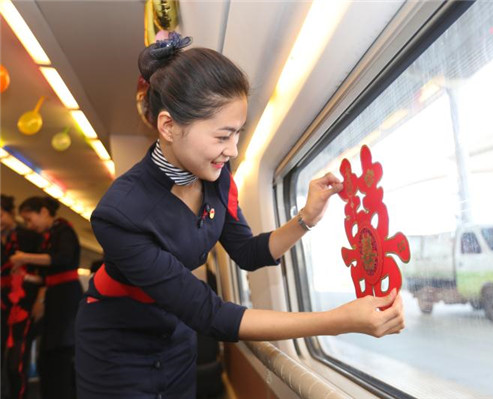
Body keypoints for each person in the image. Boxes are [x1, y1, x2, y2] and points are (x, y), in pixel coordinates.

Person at [75, 32, 405, 399]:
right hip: (118, 345)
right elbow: (211, 314)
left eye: (238, 135)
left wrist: (306, 218)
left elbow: (247, 252)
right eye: (222, 136)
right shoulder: (120, 214)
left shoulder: (217, 176)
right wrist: (341, 321)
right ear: (168, 126)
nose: (231, 151)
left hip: (177, 328)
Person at [11, 196, 83, 399]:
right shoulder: (48, 235)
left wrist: (24, 257)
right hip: (55, 297)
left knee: (61, 351)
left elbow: (62, 259)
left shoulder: (64, 230)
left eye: (29, 219)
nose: (29, 225)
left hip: (66, 299)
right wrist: (25, 276)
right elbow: (47, 276)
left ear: (43, 212)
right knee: (48, 354)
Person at [1, 195, 43, 399]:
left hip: (23, 307)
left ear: (9, 213)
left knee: (16, 361)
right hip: (3, 307)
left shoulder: (28, 238)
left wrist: (39, 300)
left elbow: (44, 274)